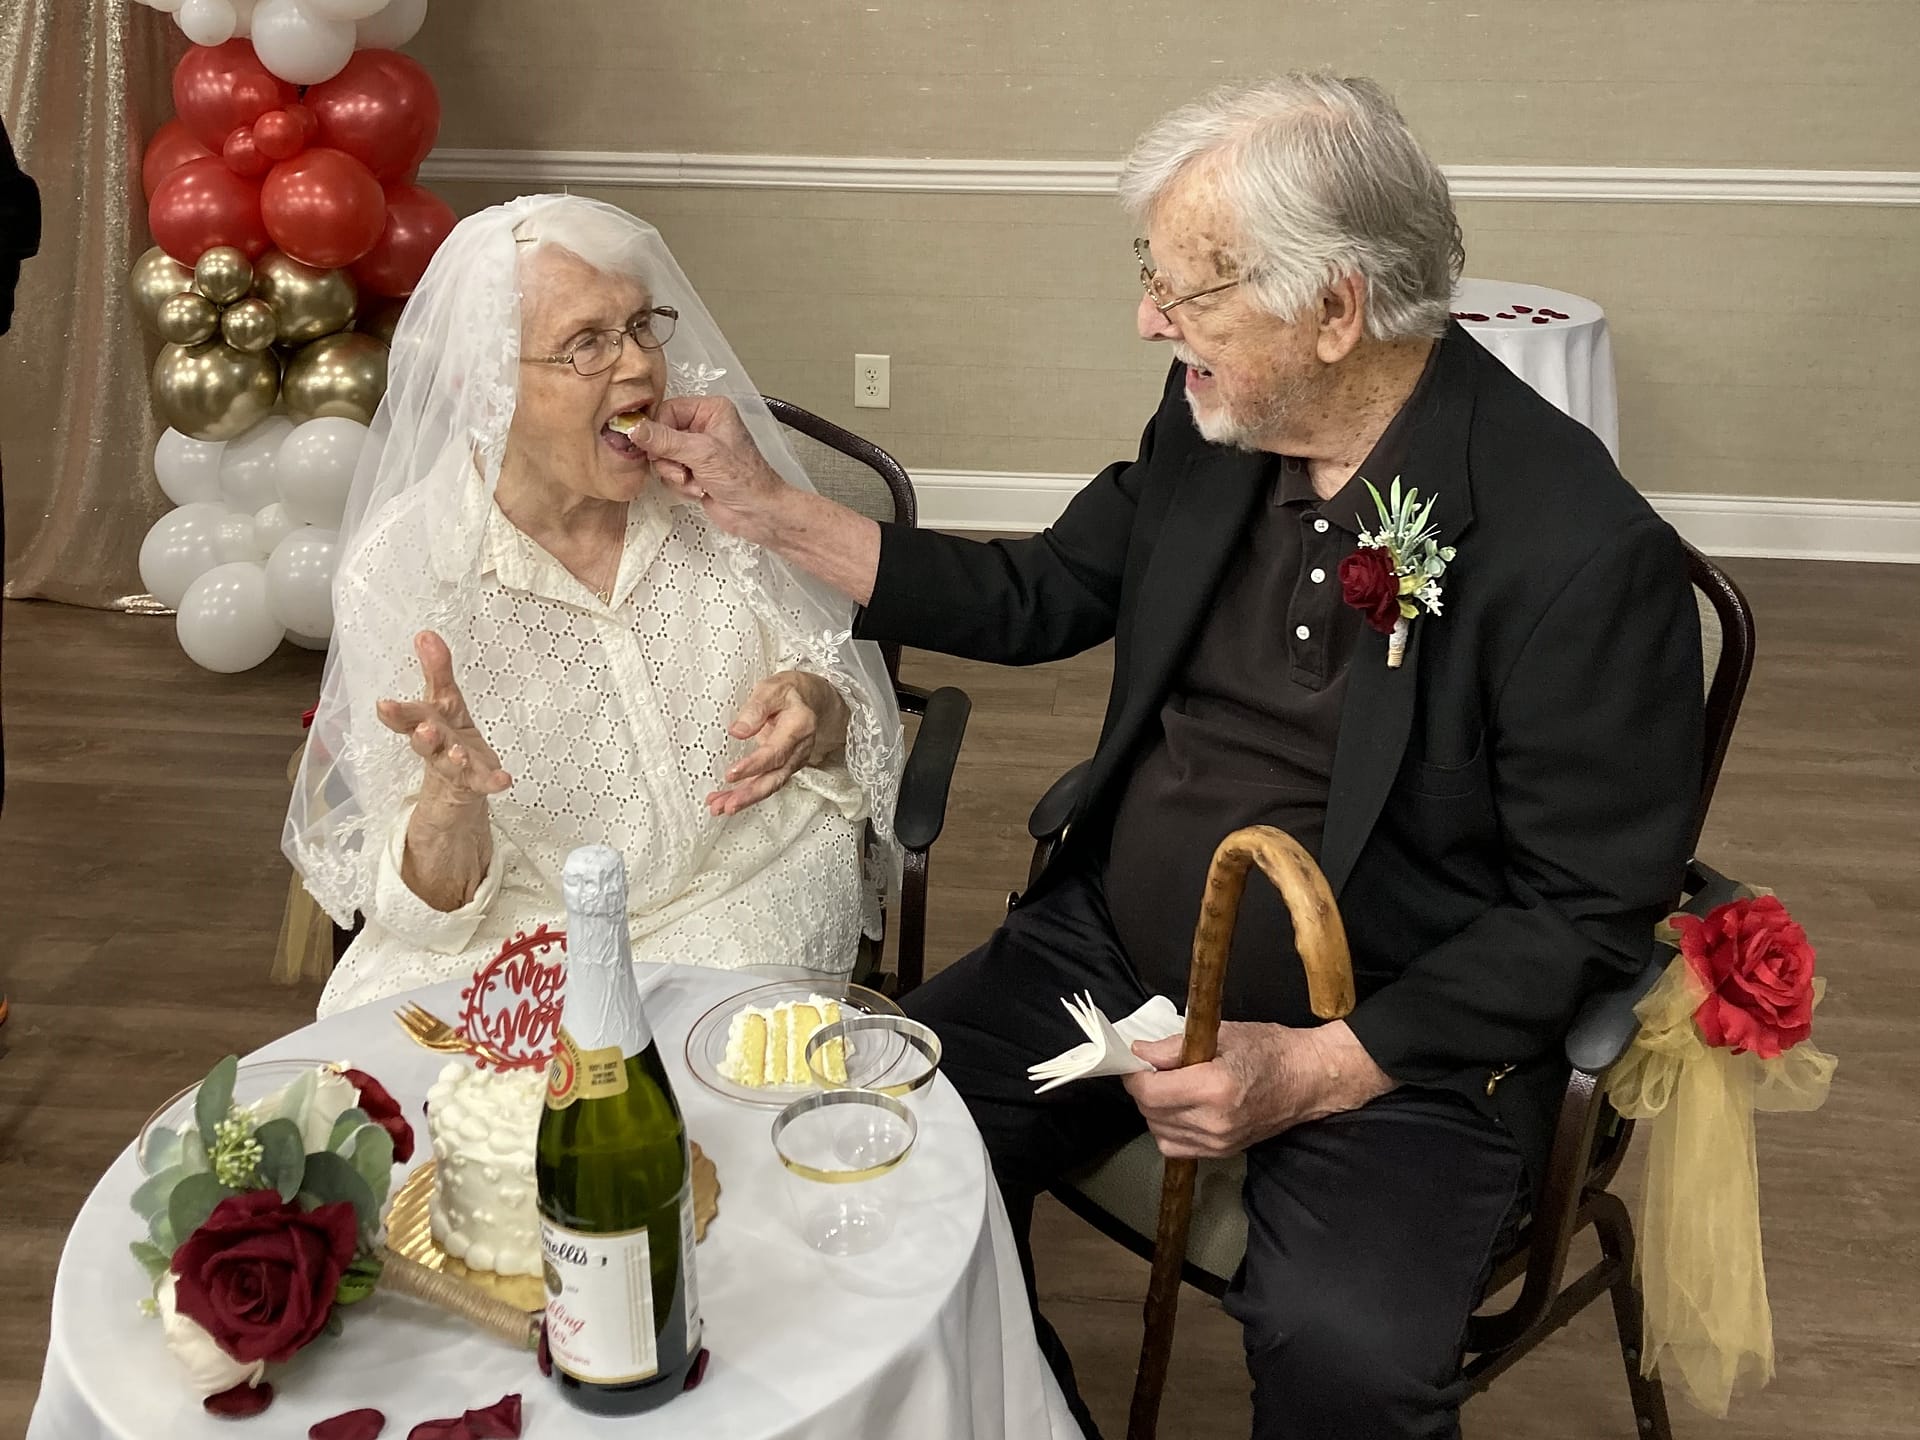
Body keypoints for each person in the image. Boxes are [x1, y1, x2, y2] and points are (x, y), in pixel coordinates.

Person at [624, 72, 1705, 1440]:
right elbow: (1040, 597)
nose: (1151, 318)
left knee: (1349, 1355)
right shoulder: (1214, 424)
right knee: (879, 1143)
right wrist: (770, 510)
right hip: (1116, 949)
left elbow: (1587, 912)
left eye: (1191, 290)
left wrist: (1316, 1067)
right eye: (1156, 275)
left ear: (1335, 311)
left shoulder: (1577, 554)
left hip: (1397, 1039)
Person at [285, 196, 904, 1019]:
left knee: (680, 1084)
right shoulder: (399, 570)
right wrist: (450, 803)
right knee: (412, 1086)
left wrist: (814, 705)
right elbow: (425, 907)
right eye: (587, 344)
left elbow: (852, 715)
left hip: (737, 893)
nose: (642, 366)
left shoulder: (718, 500)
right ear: (486, 384)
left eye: (643, 326)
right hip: (518, 926)